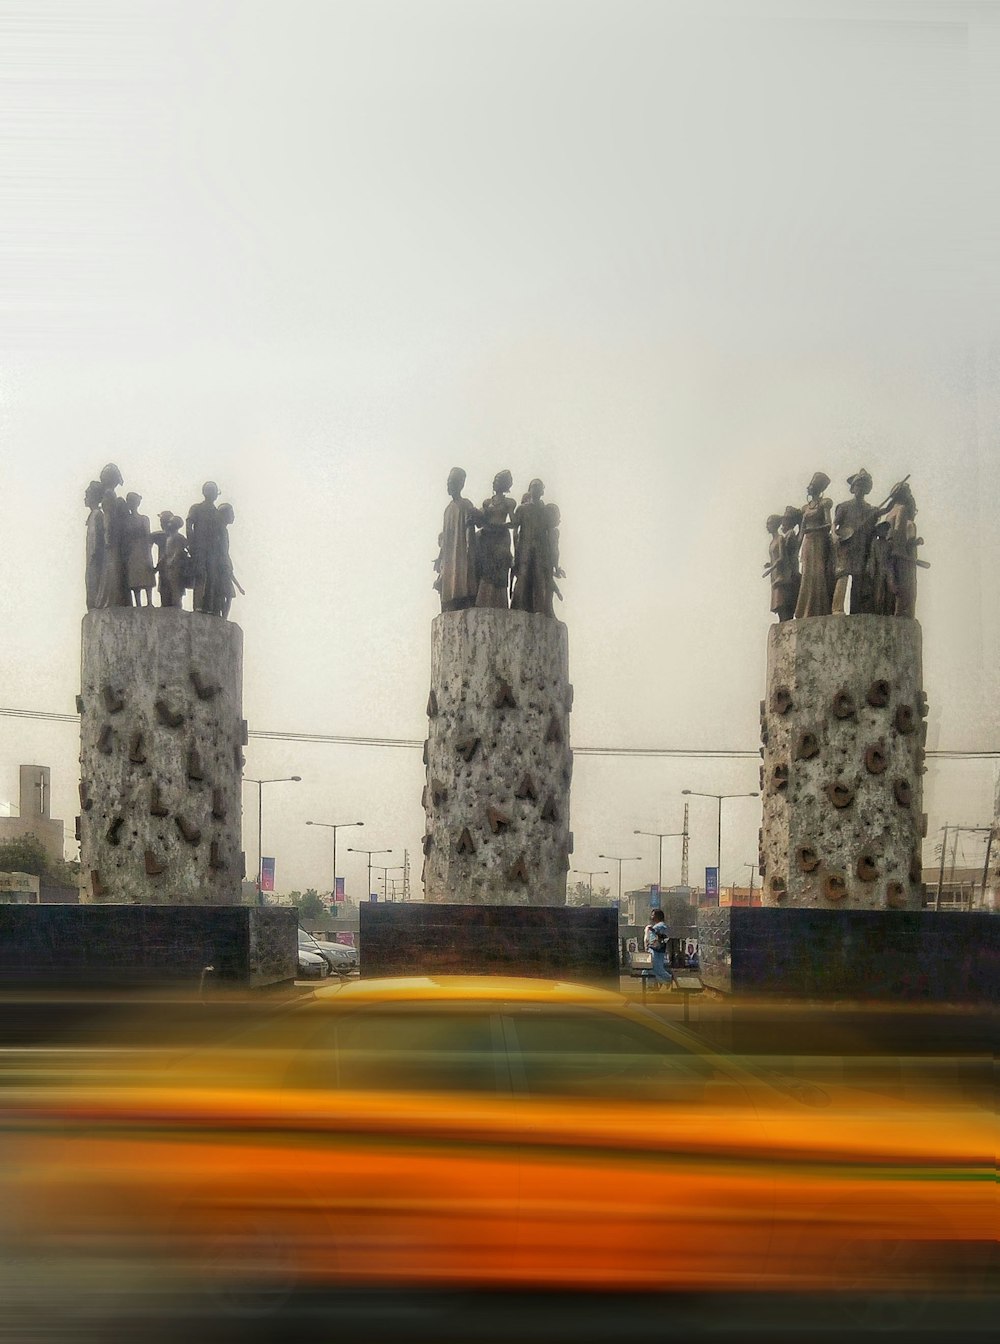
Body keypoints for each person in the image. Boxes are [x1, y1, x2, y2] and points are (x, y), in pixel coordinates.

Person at [435, 468, 481, 611]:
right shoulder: (448, 509)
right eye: (448, 482)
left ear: (460, 484)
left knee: (463, 579)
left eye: (452, 482)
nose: (449, 485)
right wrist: (440, 557)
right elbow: (446, 537)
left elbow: (470, 528)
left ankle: (464, 601)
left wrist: (469, 549)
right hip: (450, 555)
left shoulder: (466, 505)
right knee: (449, 579)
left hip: (462, 551)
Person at [794, 471, 834, 618]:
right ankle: (804, 610)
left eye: (812, 484)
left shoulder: (824, 503)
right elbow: (802, 530)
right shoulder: (806, 508)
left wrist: (814, 529)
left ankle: (820, 609)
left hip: (819, 542)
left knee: (818, 573)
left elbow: (828, 524)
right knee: (806, 573)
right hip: (807, 542)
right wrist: (796, 548)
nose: (809, 487)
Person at [475, 470, 517, 609]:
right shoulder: (487, 502)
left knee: (500, 569)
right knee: (487, 570)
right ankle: (484, 602)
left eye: (499, 481)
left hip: (501, 538)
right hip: (488, 537)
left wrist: (500, 526)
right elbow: (481, 520)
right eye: (495, 481)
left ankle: (499, 603)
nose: (496, 484)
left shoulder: (509, 502)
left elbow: (514, 522)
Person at [643, 908, 672, 990]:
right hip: (652, 949)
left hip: (657, 950)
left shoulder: (661, 925)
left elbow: (663, 936)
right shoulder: (656, 926)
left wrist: (654, 930)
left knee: (657, 968)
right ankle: (652, 986)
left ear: (658, 916)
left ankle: (669, 979)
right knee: (648, 969)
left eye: (653, 915)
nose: (651, 916)